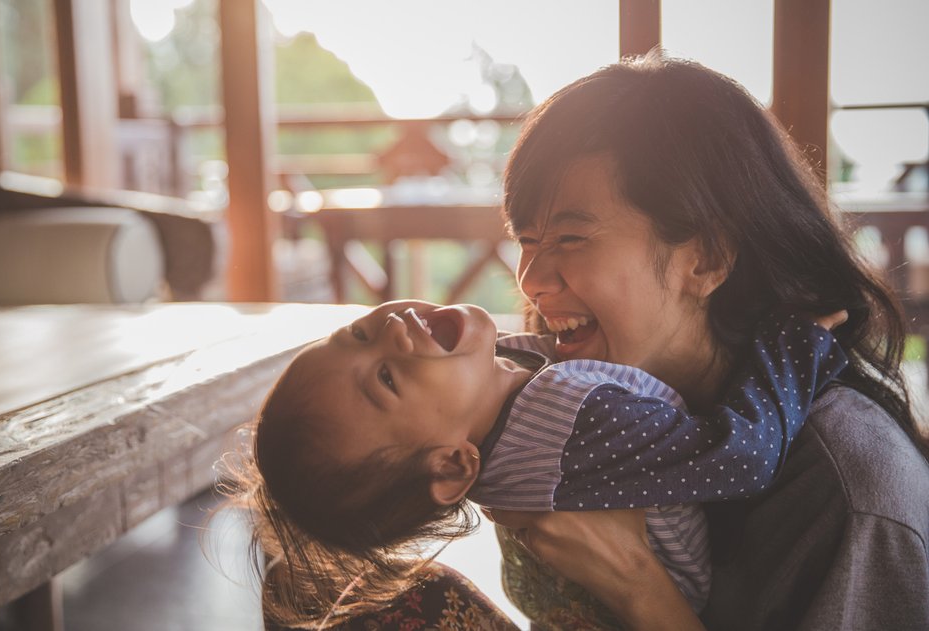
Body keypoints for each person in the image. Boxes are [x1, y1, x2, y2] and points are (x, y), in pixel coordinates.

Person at [484, 52, 929, 630]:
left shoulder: (845, 487)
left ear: (709, 258)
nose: (531, 280)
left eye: (571, 237)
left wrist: (635, 583)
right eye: (528, 238)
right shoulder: (590, 411)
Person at [251, 297, 846, 629]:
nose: (394, 327)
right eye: (385, 376)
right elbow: (741, 457)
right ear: (456, 467)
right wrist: (791, 352)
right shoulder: (573, 425)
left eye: (358, 332)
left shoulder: (493, 397)